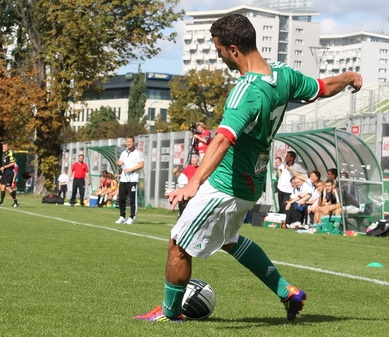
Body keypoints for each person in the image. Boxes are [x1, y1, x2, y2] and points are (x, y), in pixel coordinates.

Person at [134, 13, 362, 323]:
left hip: (226, 185)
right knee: (229, 241)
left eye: (219, 51)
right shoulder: (283, 75)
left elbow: (222, 140)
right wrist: (348, 77)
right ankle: (287, 292)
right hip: (252, 182)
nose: (219, 57)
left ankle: (170, 314)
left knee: (178, 244)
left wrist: (193, 183)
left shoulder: (246, 91)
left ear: (233, 49)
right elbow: (322, 87)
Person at [115, 136, 144, 225]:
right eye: (127, 142)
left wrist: (130, 169)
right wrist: (119, 163)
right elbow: (118, 162)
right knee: (121, 198)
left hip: (133, 179)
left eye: (130, 142)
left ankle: (132, 217)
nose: (128, 143)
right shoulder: (124, 153)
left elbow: (141, 164)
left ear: (133, 142)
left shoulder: (138, 153)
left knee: (132, 199)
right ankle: (122, 216)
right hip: (124, 179)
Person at [0, 142, 20, 207]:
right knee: (2, 187)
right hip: (4, 173)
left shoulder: (10, 153)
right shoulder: (3, 154)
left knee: (8, 187)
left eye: (5, 147)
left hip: (9, 172)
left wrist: (4, 167)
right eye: (3, 147)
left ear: (8, 147)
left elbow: (13, 163)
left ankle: (16, 201)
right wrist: (1, 173)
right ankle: (1, 202)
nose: (4, 148)